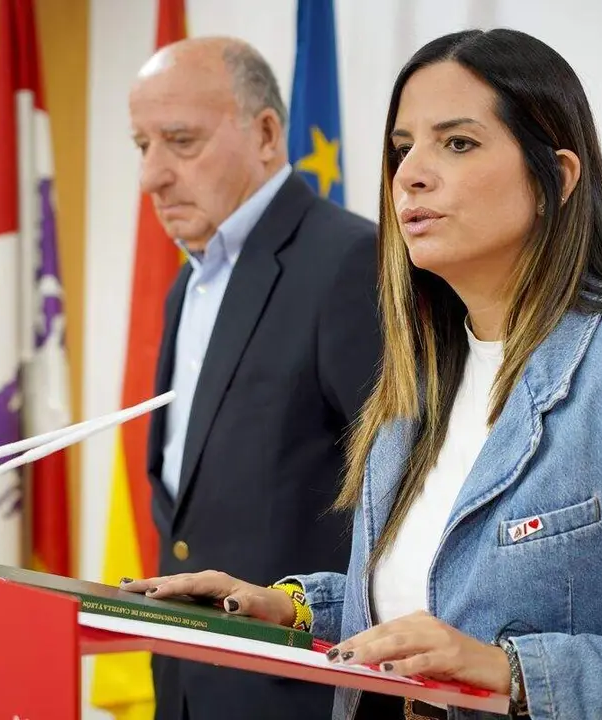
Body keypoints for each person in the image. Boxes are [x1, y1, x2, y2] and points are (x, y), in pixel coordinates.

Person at [123, 28, 602, 720]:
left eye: (457, 143)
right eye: (403, 148)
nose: (409, 174)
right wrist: (291, 609)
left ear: (556, 176)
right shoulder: (414, 386)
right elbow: (426, 605)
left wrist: (508, 672)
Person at [127, 36, 382, 720]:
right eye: (141, 145)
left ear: (267, 133)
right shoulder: (191, 280)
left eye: (180, 141)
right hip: (185, 678)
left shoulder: (349, 263)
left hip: (291, 687)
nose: (152, 176)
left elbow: (394, 503)